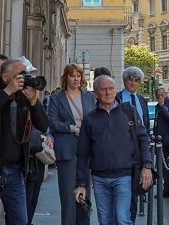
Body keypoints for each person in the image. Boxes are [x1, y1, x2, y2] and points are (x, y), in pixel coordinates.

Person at [0, 57, 49, 225]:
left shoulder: (24, 97)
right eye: (20, 75)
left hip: (15, 171)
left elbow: (43, 125)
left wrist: (34, 101)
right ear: (6, 77)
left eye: (26, 74)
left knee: (20, 220)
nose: (24, 78)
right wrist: (7, 92)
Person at [76, 75, 154, 225]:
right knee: (105, 220)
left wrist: (147, 166)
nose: (108, 92)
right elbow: (82, 153)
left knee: (122, 219)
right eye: (103, 89)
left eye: (111, 88)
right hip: (99, 178)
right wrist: (80, 184)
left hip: (124, 176)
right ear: (96, 94)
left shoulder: (128, 112)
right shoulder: (90, 119)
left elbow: (143, 139)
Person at [47, 63, 96, 225]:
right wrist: (72, 128)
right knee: (68, 194)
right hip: (66, 149)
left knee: (85, 192)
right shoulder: (56, 98)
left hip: (86, 148)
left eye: (78, 75)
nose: (76, 78)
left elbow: (95, 118)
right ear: (66, 77)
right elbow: (52, 122)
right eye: (72, 75)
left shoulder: (88, 97)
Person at [117, 66, 150, 217]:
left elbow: (145, 124)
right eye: (130, 79)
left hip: (138, 150)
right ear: (125, 81)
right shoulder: (116, 98)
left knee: (134, 190)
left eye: (136, 80)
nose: (132, 83)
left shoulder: (142, 100)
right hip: (121, 148)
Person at [26, 127, 53, 225]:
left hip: (38, 162)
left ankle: (29, 221)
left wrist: (49, 139)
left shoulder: (41, 114)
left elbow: (48, 132)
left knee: (34, 198)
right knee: (27, 200)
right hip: (27, 163)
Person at [153, 86, 169, 197]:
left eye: (162, 94)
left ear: (166, 94)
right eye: (158, 96)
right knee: (162, 166)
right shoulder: (158, 106)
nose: (161, 97)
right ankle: (166, 187)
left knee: (168, 166)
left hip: (168, 140)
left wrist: (163, 106)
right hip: (160, 139)